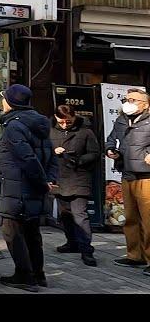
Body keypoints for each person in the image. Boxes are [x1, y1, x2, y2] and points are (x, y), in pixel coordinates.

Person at [0, 84, 58, 292]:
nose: (1, 102)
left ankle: (25, 275)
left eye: (3, 98)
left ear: (11, 102)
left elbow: (27, 157)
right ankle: (38, 274)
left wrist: (42, 181)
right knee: (32, 232)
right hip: (34, 188)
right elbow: (50, 156)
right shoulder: (39, 123)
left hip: (18, 188)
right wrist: (48, 180)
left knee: (12, 231)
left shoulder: (14, 126)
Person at [105, 88, 150, 276]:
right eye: (127, 99)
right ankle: (135, 255)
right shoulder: (122, 119)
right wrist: (110, 150)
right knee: (130, 218)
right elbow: (111, 139)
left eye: (133, 99)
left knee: (149, 220)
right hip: (126, 172)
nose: (128, 102)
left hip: (147, 176)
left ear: (145, 104)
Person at [49, 104, 99, 266]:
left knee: (80, 215)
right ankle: (72, 243)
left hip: (79, 177)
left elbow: (95, 153)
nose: (64, 125)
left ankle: (86, 250)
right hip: (59, 178)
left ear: (74, 117)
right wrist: (53, 151)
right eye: (61, 122)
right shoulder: (50, 131)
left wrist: (79, 159)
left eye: (68, 122)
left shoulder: (85, 132)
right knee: (65, 215)